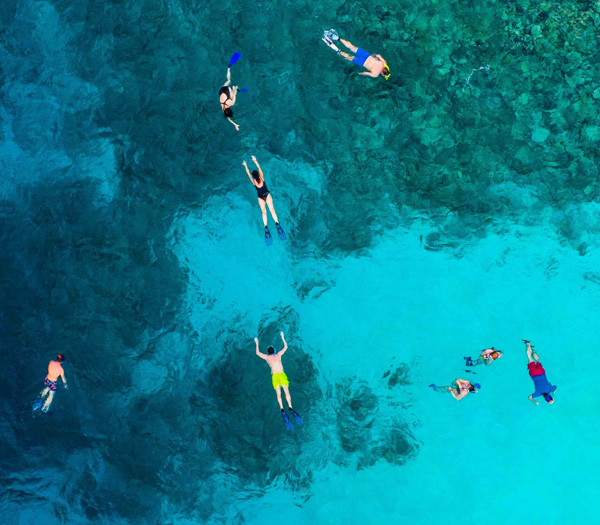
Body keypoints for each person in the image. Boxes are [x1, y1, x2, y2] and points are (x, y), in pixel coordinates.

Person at [255, 332, 302, 430]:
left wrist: (256, 343)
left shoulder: (267, 358)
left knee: (278, 395)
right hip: (281, 375)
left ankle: (282, 409)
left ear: (268, 352)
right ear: (274, 351)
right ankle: (290, 407)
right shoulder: (279, 355)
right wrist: (282, 337)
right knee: (286, 392)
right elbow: (286, 346)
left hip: (275, 377)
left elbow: (257, 353)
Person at [242, 156, 287, 245]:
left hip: (260, 197)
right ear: (258, 174)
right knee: (272, 210)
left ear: (253, 176)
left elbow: (248, 174)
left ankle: (266, 227)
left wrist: (245, 166)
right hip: (267, 195)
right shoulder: (261, 177)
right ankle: (277, 224)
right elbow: (259, 168)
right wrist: (255, 160)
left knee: (264, 212)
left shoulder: (253, 181)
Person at [322, 29, 390, 79]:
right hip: (362, 62)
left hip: (366, 55)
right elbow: (365, 73)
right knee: (349, 57)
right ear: (382, 74)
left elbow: (378, 55)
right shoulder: (375, 74)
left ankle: (338, 38)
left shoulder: (384, 63)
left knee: (352, 47)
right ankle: (338, 50)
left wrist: (373, 56)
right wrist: (359, 73)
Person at [524, 340, 557, 405]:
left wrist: (553, 394)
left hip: (541, 372)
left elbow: (555, 388)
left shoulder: (550, 389)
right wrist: (535, 402)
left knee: (537, 360)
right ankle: (528, 344)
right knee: (529, 358)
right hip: (534, 374)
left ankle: (533, 350)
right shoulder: (537, 393)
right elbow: (529, 398)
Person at [219, 67, 240, 131]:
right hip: (222, 90)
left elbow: (234, 96)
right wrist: (235, 124)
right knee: (229, 80)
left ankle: (234, 87)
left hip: (227, 91)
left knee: (234, 95)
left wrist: (235, 89)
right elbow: (228, 119)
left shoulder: (232, 103)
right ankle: (228, 69)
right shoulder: (223, 108)